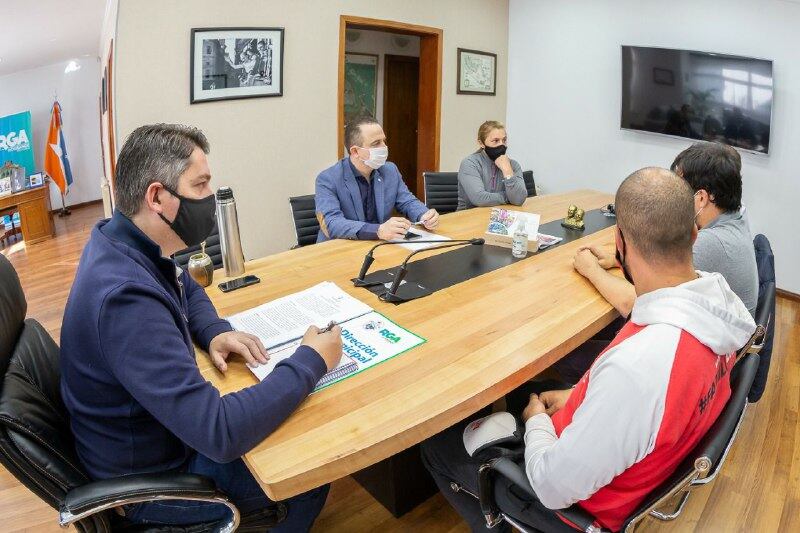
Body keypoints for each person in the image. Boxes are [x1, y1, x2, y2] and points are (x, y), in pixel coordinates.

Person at [422, 167, 755, 532]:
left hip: (577, 511)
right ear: (694, 233)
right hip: (624, 458)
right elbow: (636, 410)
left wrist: (535, 421)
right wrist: (578, 396)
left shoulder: (640, 367)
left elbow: (551, 486)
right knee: (520, 392)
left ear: (620, 244)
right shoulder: (721, 309)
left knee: (436, 443)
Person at [60, 124, 342, 530]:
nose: (210, 197)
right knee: (308, 465)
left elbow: (184, 283)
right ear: (157, 197)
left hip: (158, 440)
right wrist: (312, 360)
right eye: (200, 185)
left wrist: (213, 330)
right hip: (155, 485)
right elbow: (219, 431)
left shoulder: (122, 242)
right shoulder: (125, 300)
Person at [557, 141, 758, 383]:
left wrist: (591, 270)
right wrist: (617, 258)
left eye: (678, 188)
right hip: (710, 345)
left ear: (702, 198)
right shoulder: (735, 216)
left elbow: (638, 302)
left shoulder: (711, 243)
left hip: (688, 364)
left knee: (566, 355)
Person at [315, 116, 439, 242]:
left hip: (377, 246)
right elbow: (332, 223)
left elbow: (407, 201)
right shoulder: (328, 179)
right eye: (376, 143)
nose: (384, 147)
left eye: (384, 141)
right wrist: (378, 230)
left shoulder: (390, 170)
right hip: (340, 250)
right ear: (355, 152)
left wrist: (424, 215)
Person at [457, 120, 528, 210]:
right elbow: (480, 199)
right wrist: (509, 198)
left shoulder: (513, 165)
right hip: (468, 217)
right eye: (496, 141)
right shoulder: (470, 163)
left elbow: (519, 199)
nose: (501, 145)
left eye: (504, 140)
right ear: (481, 143)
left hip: (499, 217)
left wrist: (507, 171)